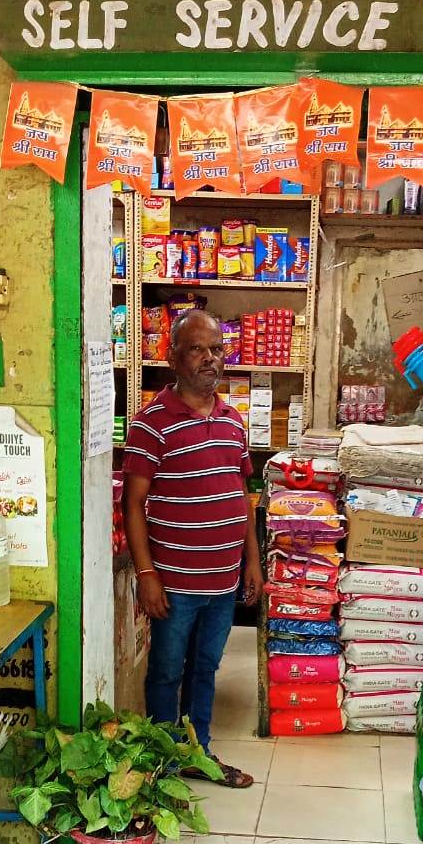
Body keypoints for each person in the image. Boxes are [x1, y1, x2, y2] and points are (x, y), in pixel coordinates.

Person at [122, 308, 263, 788]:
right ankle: (162, 764)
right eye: (197, 349)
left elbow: (241, 497)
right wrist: (147, 575)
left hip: (223, 580)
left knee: (205, 669)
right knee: (165, 672)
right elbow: (133, 505)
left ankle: (198, 754)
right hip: (175, 582)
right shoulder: (150, 425)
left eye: (217, 349)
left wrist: (253, 562)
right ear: (172, 356)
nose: (210, 359)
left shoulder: (232, 420)